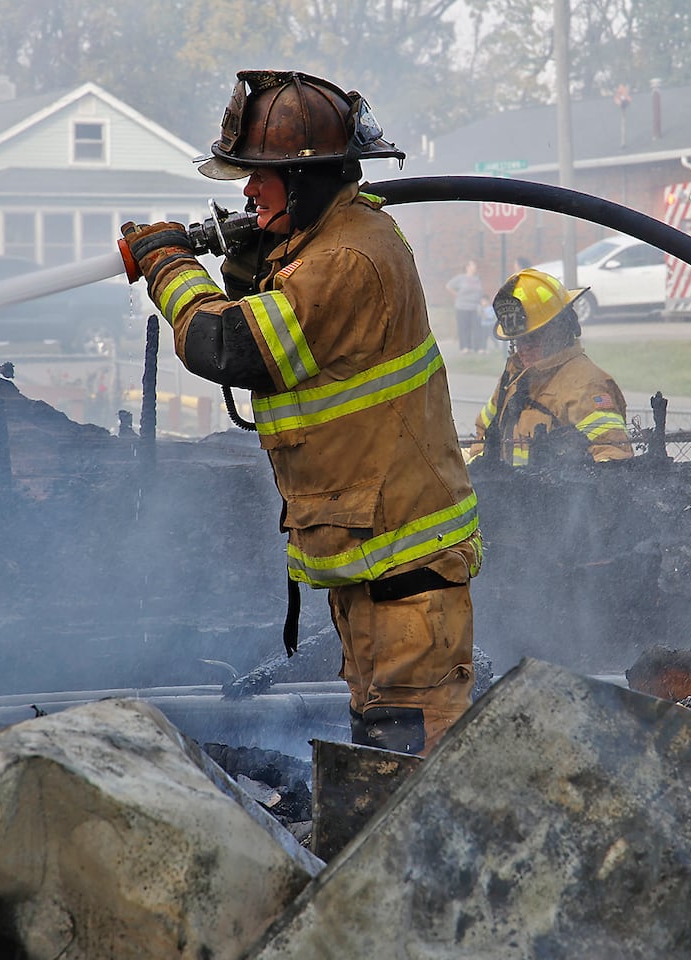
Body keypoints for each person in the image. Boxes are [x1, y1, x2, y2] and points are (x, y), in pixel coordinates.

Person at [119, 71, 481, 756]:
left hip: (408, 592)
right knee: (380, 771)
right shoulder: (327, 243)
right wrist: (253, 255)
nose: (247, 192)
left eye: (260, 177)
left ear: (306, 179)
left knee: (412, 791)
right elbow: (282, 319)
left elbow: (224, 344)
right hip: (379, 583)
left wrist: (169, 266)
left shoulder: (347, 258)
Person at [471, 268, 633, 466]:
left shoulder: (586, 385)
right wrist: (484, 470)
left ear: (558, 331)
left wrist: (562, 491)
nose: (523, 348)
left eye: (532, 337)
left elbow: (612, 457)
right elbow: (483, 434)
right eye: (518, 340)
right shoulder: (513, 376)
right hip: (511, 496)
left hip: (561, 497)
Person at [446, 260, 485, 353]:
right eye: (473, 265)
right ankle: (465, 347)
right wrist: (457, 294)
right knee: (464, 327)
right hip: (462, 306)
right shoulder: (461, 278)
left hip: (475, 307)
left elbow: (480, 292)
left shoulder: (477, 279)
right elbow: (448, 286)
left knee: (476, 327)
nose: (475, 267)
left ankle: (478, 347)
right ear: (467, 267)